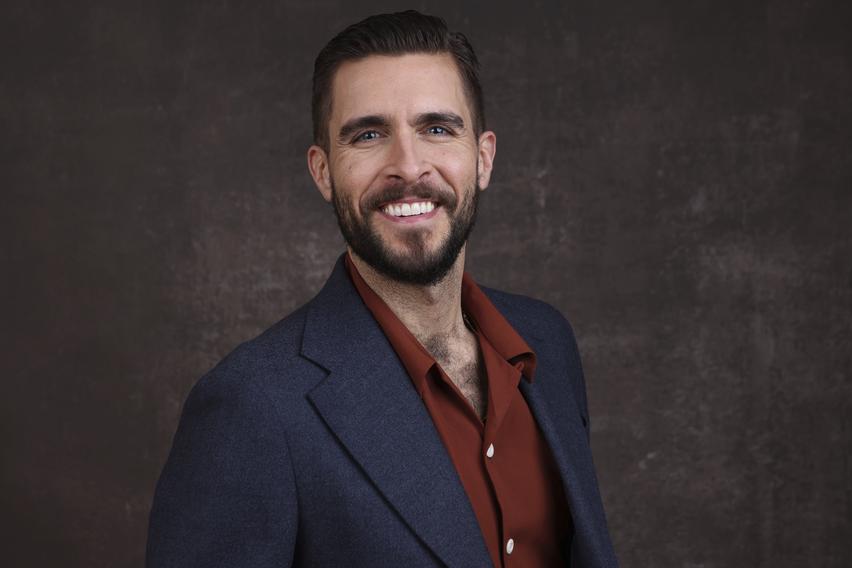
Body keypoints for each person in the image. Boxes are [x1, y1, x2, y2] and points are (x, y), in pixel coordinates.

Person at [147, 10, 619, 568]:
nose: (409, 166)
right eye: (369, 134)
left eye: (437, 129)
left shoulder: (547, 342)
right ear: (323, 171)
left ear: (483, 158)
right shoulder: (252, 407)